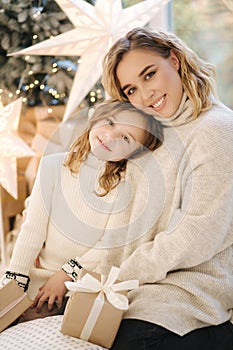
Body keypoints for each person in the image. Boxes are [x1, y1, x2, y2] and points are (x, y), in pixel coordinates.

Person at [99, 27, 233, 349]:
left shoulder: (217, 131)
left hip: (192, 301)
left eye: (149, 75)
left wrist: (119, 276)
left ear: (174, 60)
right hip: (139, 294)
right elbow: (126, 226)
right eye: (131, 90)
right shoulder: (153, 137)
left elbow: (197, 236)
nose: (145, 96)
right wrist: (90, 277)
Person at [0, 99, 162, 320]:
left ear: (134, 154)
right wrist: (15, 279)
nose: (111, 136)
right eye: (110, 122)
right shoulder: (52, 166)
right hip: (38, 275)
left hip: (81, 282)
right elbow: (33, 229)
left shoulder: (124, 188)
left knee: (41, 319)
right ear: (96, 117)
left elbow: (108, 245)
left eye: (126, 138)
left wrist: (66, 275)